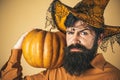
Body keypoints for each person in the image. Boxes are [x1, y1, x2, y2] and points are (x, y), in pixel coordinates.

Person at [0, 0, 120, 80]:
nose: (74, 40)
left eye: (84, 33)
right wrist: (17, 50)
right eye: (70, 32)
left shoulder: (113, 75)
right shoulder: (55, 73)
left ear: (99, 39)